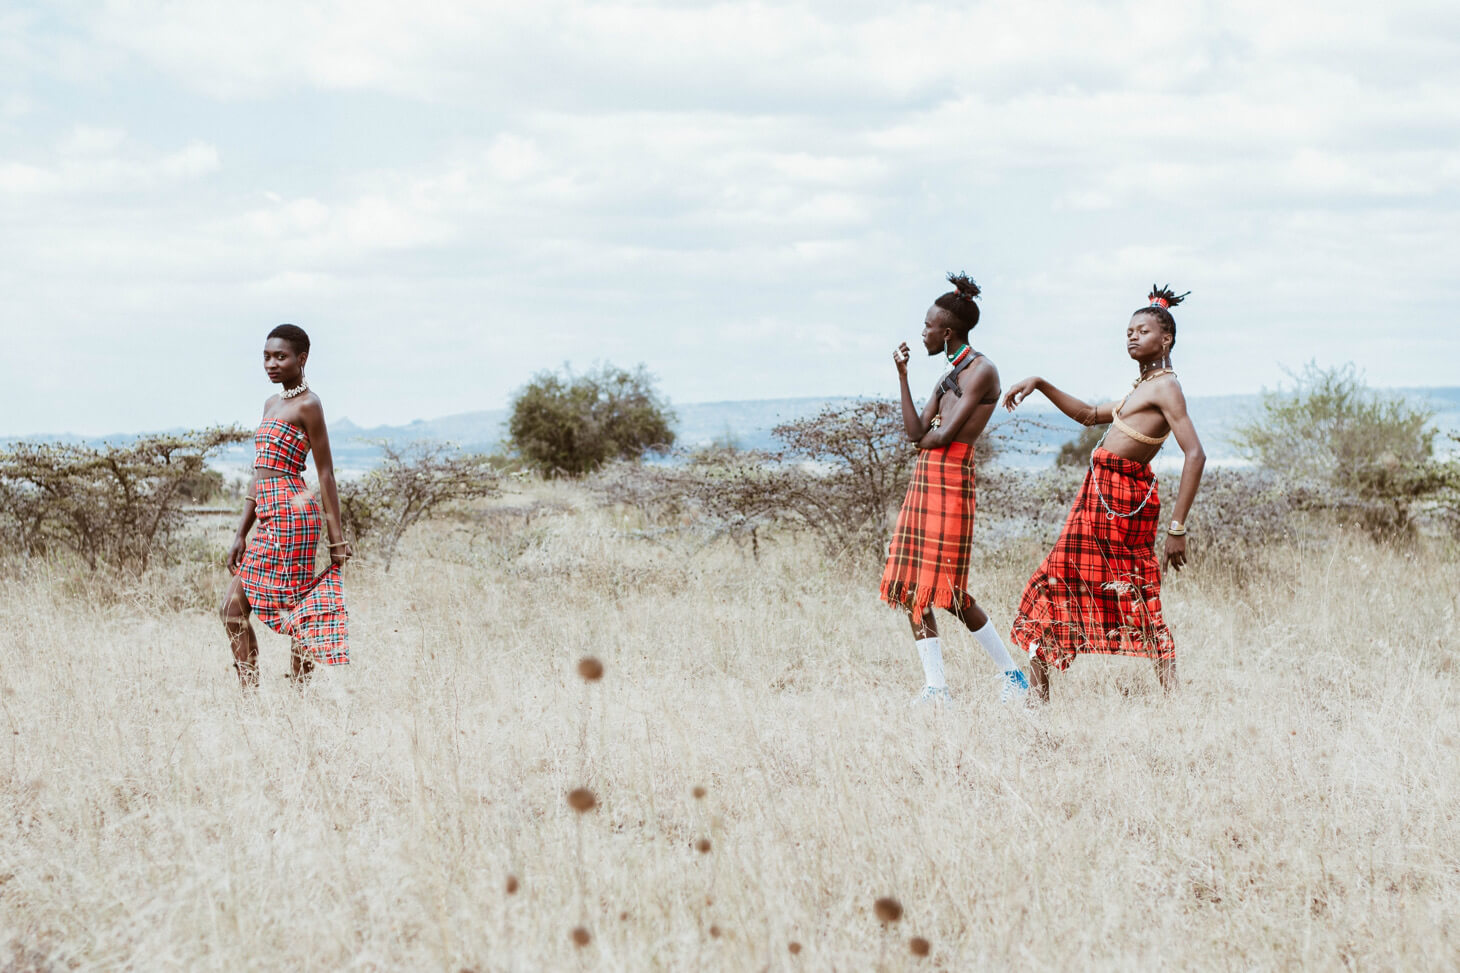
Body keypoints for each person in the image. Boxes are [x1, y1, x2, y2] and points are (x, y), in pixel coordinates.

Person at [1001, 285, 1206, 701]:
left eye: (1142, 330)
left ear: (1165, 339)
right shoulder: (1143, 387)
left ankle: (1170, 697)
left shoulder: (1166, 387)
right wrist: (1039, 382)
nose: (1131, 336)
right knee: (1073, 584)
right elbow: (1087, 415)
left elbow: (1196, 454)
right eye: (1128, 330)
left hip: (1120, 503)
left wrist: (1178, 527)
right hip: (1102, 498)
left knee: (1098, 586)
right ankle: (1038, 699)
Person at [880, 273, 1030, 706]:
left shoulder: (982, 370)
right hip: (926, 479)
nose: (922, 331)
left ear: (947, 331)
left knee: (950, 592)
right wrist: (903, 375)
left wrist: (930, 436)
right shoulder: (950, 373)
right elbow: (915, 432)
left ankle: (1013, 676)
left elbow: (942, 438)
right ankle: (936, 688)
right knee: (913, 587)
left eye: (927, 325)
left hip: (950, 479)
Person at [221, 324, 351, 689]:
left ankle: (298, 693)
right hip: (266, 514)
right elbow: (260, 471)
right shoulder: (270, 404)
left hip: (294, 515)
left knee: (298, 607)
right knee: (232, 609)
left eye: (281, 356)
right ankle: (250, 695)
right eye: (267, 356)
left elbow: (324, 473)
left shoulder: (309, 404)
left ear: (301, 359)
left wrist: (336, 539)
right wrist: (240, 532)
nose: (271, 364)